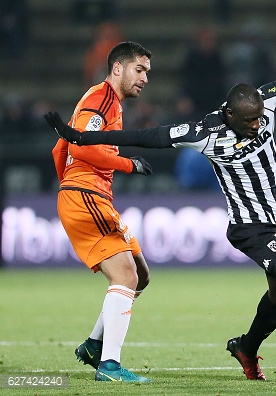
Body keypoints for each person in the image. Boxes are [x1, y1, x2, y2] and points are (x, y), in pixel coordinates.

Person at [45, 38, 276, 381]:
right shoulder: (205, 131)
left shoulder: (266, 100)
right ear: (231, 115)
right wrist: (81, 139)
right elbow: (149, 136)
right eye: (248, 122)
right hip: (252, 229)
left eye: (260, 119)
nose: (257, 126)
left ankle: (246, 349)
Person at [50, 41, 153, 383]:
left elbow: (60, 147)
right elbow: (81, 146)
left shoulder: (107, 102)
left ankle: (94, 345)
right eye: (139, 70)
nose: (145, 78)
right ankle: (109, 365)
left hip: (90, 195)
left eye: (147, 72)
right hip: (86, 195)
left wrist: (68, 182)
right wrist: (128, 165)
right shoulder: (102, 99)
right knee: (124, 276)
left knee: (140, 273)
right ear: (118, 68)